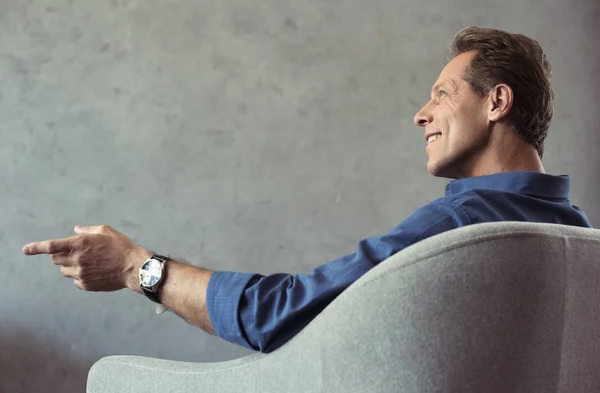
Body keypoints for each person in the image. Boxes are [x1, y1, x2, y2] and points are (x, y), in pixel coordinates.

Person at [22, 26, 592, 354]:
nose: (421, 114)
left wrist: (136, 267)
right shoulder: (584, 241)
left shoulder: (459, 228)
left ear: (496, 102)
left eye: (442, 94)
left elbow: (282, 315)